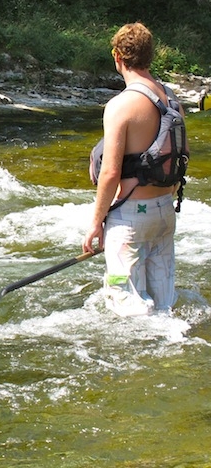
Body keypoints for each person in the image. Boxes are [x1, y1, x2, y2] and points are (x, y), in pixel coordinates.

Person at [82, 22, 188, 316]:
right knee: (165, 302)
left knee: (125, 303)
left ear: (117, 56)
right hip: (165, 213)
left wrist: (96, 223)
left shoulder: (121, 105)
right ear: (150, 56)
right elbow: (182, 156)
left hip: (131, 219)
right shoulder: (173, 101)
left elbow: (111, 173)